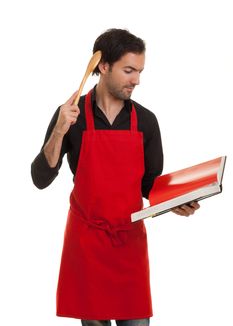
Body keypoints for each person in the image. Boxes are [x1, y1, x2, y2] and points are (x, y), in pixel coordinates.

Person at [31, 28, 200, 326]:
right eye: (129, 70)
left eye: (140, 71)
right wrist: (59, 130)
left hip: (129, 245)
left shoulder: (145, 121)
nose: (137, 80)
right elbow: (40, 179)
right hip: (86, 244)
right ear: (103, 66)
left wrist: (174, 201)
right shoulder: (71, 115)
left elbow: (149, 184)